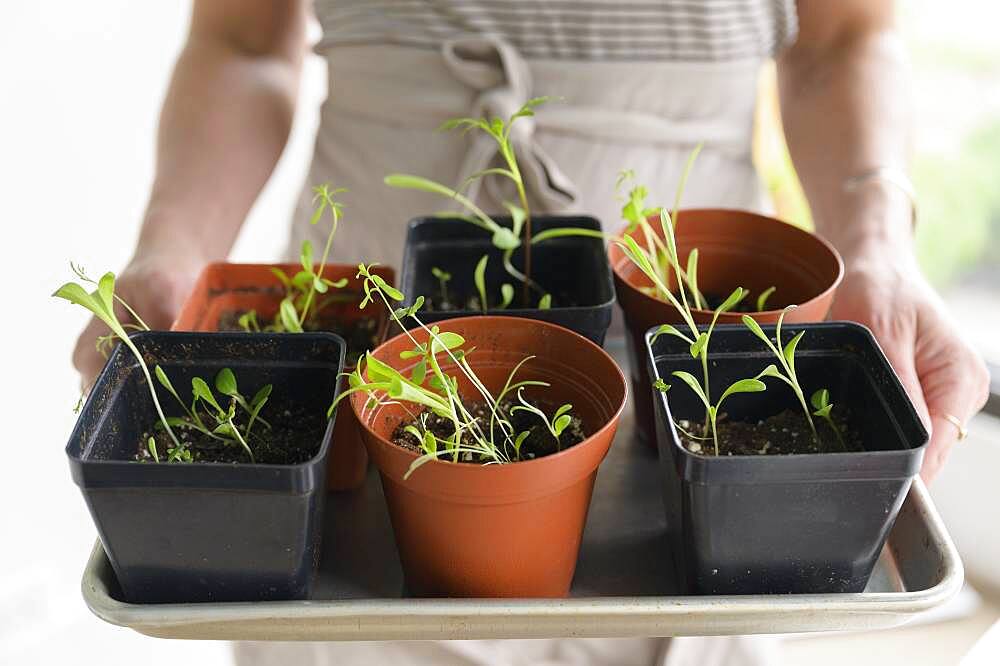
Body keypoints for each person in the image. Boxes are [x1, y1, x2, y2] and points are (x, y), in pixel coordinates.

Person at [71, 1, 990, 664]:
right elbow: (240, 41)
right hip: (372, 310)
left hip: (693, 329)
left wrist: (878, 245)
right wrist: (176, 252)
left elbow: (844, 41)